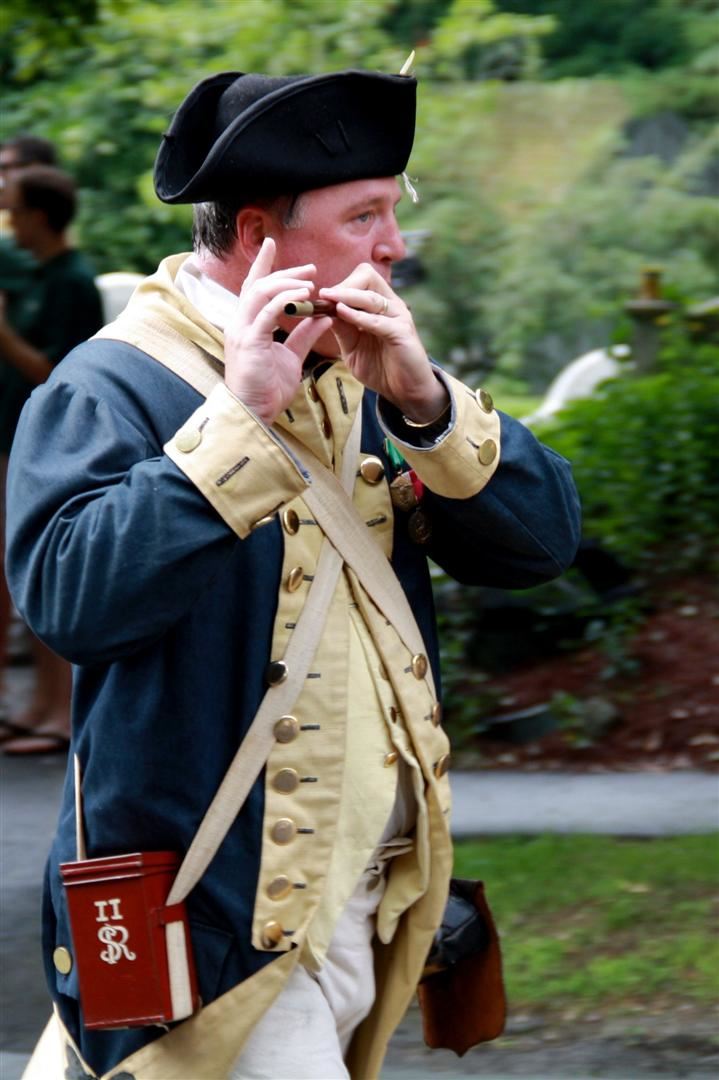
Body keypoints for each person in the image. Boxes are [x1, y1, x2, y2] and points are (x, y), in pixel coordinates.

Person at [6, 67, 581, 1079]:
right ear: (256, 235)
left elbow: (540, 547)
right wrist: (239, 421)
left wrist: (425, 405)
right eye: (363, 217)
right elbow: (70, 603)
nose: (392, 246)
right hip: (215, 917)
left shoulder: (366, 370)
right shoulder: (109, 381)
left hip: (368, 908)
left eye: (391, 211)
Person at [0, 161, 105, 755]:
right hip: (15, 438)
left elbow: (59, 374)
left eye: (14, 209)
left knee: (44, 572)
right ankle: (40, 705)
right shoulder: (37, 275)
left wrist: (3, 335)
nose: (9, 219)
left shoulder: (72, 281)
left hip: (52, 444)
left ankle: (61, 713)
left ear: (39, 215)